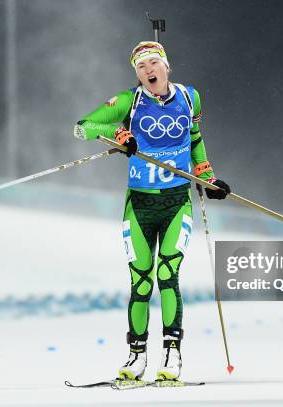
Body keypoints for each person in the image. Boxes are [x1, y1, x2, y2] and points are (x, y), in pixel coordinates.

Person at [73, 41, 230, 381]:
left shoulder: (190, 97)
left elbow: (194, 135)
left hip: (176, 203)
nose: (148, 70)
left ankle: (171, 355)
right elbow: (82, 127)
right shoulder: (129, 101)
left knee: (167, 275)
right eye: (141, 66)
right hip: (140, 205)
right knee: (141, 282)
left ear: (166, 66)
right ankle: (136, 356)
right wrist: (117, 134)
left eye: (153, 63)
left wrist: (206, 176)